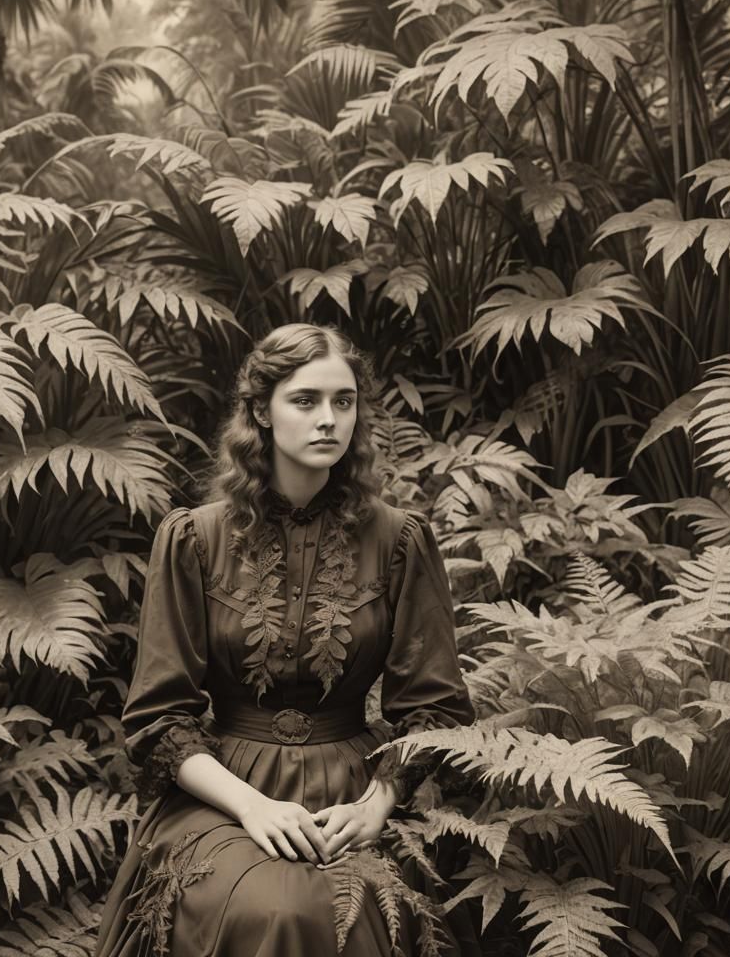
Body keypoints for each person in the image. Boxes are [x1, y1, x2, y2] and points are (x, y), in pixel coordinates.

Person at [95, 323, 477, 956]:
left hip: (355, 789)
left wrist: (376, 806)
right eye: (305, 400)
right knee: (273, 910)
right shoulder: (194, 539)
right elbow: (159, 718)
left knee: (337, 910)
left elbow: (434, 710)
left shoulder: (401, 540)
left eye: (344, 401)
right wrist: (253, 808)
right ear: (261, 413)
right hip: (224, 791)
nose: (328, 419)